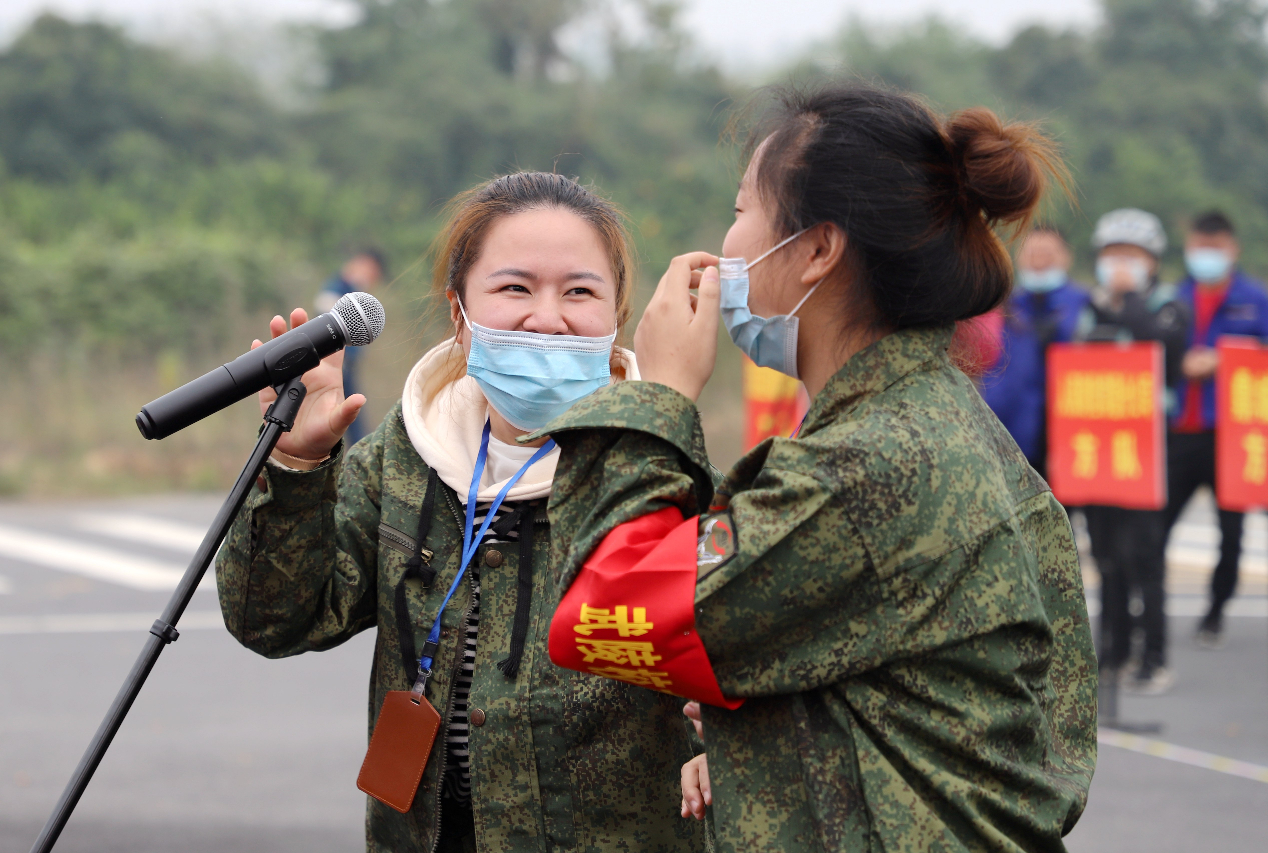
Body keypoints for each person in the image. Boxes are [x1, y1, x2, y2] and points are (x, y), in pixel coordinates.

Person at [532, 84, 1096, 850]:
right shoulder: (944, 423)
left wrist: (659, 395)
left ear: (817, 250)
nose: (724, 247)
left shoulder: (867, 466)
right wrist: (758, 728)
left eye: (740, 213)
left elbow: (602, 614)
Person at [214, 173, 706, 853]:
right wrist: (295, 464)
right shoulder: (409, 451)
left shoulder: (657, 462)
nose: (547, 317)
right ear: (460, 315)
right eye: (514, 288)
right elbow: (272, 619)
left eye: (580, 291)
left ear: (617, 313)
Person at [1076, 209, 1189, 695]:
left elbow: (1164, 352)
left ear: (1152, 261)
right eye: (1111, 255)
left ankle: (1155, 656)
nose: (1119, 265)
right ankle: (1114, 651)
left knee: (1145, 555)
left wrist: (1131, 300)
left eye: (1131, 256)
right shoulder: (1090, 309)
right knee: (1106, 557)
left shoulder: (1167, 307)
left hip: (1147, 450)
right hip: (1099, 450)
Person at [1164, 210, 1268, 648]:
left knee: (1231, 531)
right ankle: (1148, 604)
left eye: (1215, 248)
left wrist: (1223, 359)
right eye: (1200, 247)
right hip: (1182, 428)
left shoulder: (1255, 298)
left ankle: (1215, 609)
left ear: (1233, 250)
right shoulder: (1173, 297)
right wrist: (1182, 364)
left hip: (1233, 433)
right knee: (1157, 524)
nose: (1207, 256)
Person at [982, 226, 1091, 474]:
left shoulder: (1086, 304)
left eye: (1048, 254)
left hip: (1073, 429)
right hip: (1013, 431)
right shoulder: (1001, 306)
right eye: (1031, 254)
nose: (1039, 262)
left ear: (1066, 257)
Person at [316, 248, 387, 445]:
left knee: (353, 415)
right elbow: (326, 322)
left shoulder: (354, 292)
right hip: (335, 364)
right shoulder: (336, 289)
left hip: (347, 366)